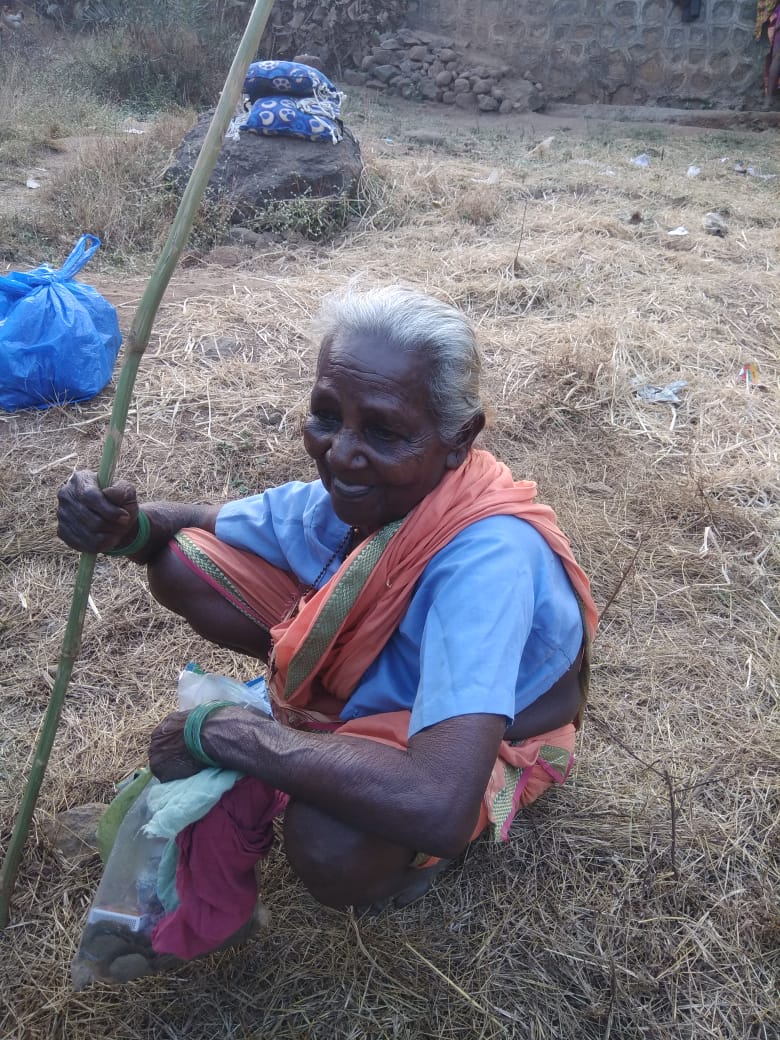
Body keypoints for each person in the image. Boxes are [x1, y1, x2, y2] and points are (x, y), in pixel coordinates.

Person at [58, 286, 597, 945]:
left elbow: (437, 805)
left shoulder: (485, 559)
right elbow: (191, 523)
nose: (341, 453)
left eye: (384, 430)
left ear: (459, 440)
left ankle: (400, 855)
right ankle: (341, 736)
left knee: (332, 843)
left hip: (485, 733)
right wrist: (124, 527)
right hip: (393, 692)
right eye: (326, 415)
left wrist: (229, 733)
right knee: (182, 559)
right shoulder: (358, 496)